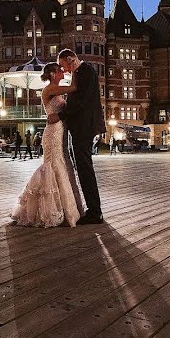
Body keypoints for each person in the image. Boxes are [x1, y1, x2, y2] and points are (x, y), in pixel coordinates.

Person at [10, 62, 84, 228]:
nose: (63, 72)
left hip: (60, 131)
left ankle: (65, 209)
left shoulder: (55, 90)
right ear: (52, 74)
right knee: (53, 165)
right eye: (60, 71)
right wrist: (76, 69)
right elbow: (73, 87)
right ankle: (49, 209)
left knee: (60, 164)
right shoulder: (49, 89)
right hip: (53, 132)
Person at [49, 48, 107, 225]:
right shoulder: (82, 72)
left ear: (70, 59)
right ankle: (93, 209)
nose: (63, 69)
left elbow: (80, 102)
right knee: (82, 167)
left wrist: (60, 116)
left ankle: (95, 212)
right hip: (81, 128)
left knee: (85, 168)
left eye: (62, 65)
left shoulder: (85, 72)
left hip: (84, 128)